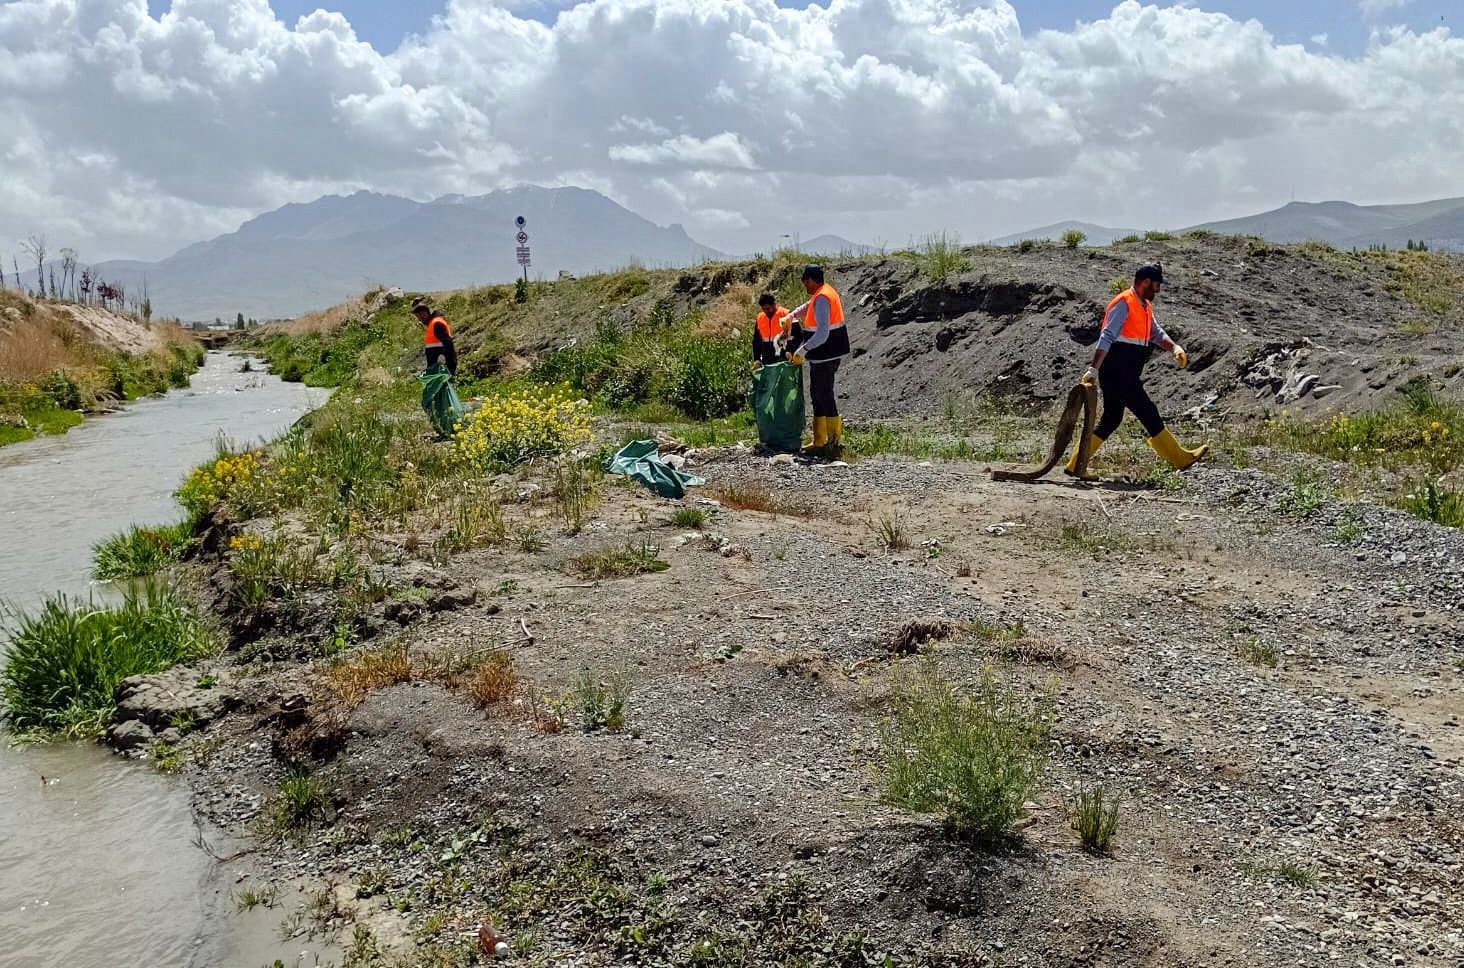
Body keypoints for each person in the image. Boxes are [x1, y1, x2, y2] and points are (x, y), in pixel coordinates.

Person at [1065, 262, 1208, 477]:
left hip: (1126, 371)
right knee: (1148, 412)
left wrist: (1174, 347)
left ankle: (1076, 464)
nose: (1158, 291)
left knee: (1111, 419)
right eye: (1157, 285)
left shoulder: (1144, 306)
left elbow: (1155, 333)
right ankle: (1179, 458)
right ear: (1146, 282)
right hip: (1117, 370)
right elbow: (1107, 336)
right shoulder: (1124, 302)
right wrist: (1093, 369)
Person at [784, 265, 849, 451]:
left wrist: (802, 351)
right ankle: (819, 440)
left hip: (826, 355)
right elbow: (808, 306)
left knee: (824, 394)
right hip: (821, 355)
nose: (805, 285)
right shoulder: (821, 294)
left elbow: (822, 333)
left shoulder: (822, 297)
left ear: (811, 279)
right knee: (817, 394)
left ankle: (834, 442)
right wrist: (792, 315)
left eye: (805, 282)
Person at [412, 297, 457, 375]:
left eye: (422, 314)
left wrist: (443, 358)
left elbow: (448, 343)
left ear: (428, 311)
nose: (420, 318)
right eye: (418, 316)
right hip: (438, 368)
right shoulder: (432, 325)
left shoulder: (436, 324)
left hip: (443, 368)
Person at [752, 293, 790, 365]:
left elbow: (798, 336)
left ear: (774, 305)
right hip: (767, 360)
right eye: (763, 309)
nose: (766, 311)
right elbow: (756, 340)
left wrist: (791, 351)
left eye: (768, 309)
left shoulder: (786, 314)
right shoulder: (760, 318)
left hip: (784, 357)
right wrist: (757, 359)